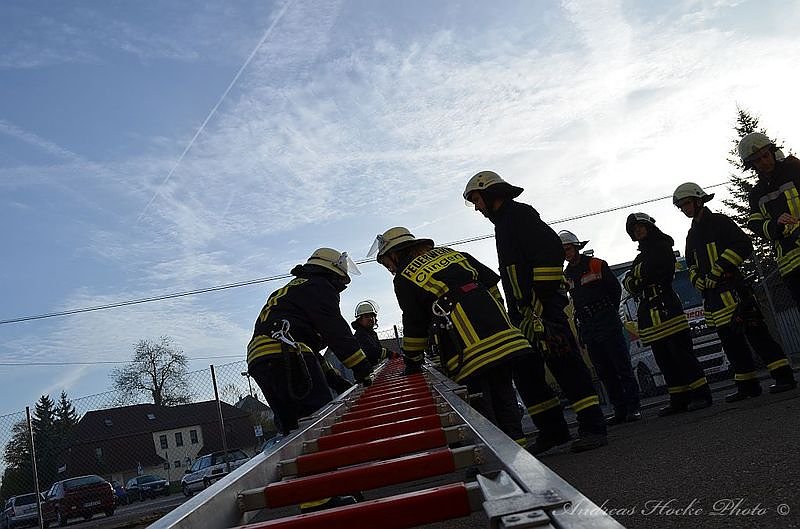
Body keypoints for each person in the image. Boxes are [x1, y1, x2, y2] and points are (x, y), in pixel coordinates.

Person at [463, 171, 607, 453]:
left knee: (566, 365)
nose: (477, 207)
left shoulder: (520, 214)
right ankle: (553, 431)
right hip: (524, 312)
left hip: (543, 309)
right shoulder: (503, 223)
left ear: (492, 194)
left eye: (477, 200)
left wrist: (540, 296)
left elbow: (551, 250)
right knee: (527, 372)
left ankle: (593, 426)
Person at [371, 227, 529, 445]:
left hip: (468, 349)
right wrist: (500, 318)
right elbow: (491, 283)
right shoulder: (454, 254)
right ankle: (520, 452)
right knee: (504, 394)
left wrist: (413, 362)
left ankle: (497, 464)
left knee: (479, 406)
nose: (388, 268)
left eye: (386, 262)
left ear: (394, 253)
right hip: (504, 335)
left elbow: (414, 323)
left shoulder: (404, 276)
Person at [246, 248, 373, 512]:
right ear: (332, 268)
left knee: (296, 430)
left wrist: (339, 382)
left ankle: (316, 493)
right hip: (286, 357)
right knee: (319, 426)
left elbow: (308, 351)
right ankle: (321, 498)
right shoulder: (318, 286)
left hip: (263, 359)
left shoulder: (293, 289)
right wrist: (361, 368)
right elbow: (336, 330)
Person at [674, 182, 796, 399]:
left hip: (735, 291)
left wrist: (718, 269)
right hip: (713, 298)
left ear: (698, 200)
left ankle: (783, 376)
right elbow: (690, 263)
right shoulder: (691, 234)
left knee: (757, 335)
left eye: (686, 204)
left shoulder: (720, 222)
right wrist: (697, 279)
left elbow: (743, 245)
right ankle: (747, 386)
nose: (685, 209)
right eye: (681, 206)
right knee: (731, 343)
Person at [622, 213, 713, 415]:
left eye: (640, 226)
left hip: (667, 308)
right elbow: (629, 283)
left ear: (649, 227)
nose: (637, 231)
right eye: (633, 229)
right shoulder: (640, 257)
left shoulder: (662, 247)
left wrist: (638, 278)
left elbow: (653, 273)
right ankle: (679, 399)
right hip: (651, 314)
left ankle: (701, 394)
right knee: (664, 359)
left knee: (682, 355)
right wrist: (637, 278)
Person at [559, 230, 642, 424]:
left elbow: (615, 290)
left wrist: (608, 312)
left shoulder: (596, 264)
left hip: (606, 319)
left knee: (621, 366)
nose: (566, 254)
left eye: (568, 249)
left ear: (577, 247)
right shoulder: (567, 274)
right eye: (562, 251)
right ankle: (619, 409)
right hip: (587, 324)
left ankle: (633, 408)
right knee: (604, 370)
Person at [739, 132, 800, 305]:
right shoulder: (756, 195)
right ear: (751, 165)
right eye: (757, 160)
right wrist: (776, 224)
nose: (764, 162)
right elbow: (755, 224)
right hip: (790, 266)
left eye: (765, 156)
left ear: (772, 152)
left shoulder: (795, 171)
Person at [351, 300, 395, 365]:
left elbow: (379, 349)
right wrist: (390, 353)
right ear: (360, 320)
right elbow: (372, 351)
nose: (371, 318)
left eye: (372, 316)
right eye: (366, 316)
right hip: (365, 372)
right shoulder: (360, 335)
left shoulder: (372, 334)